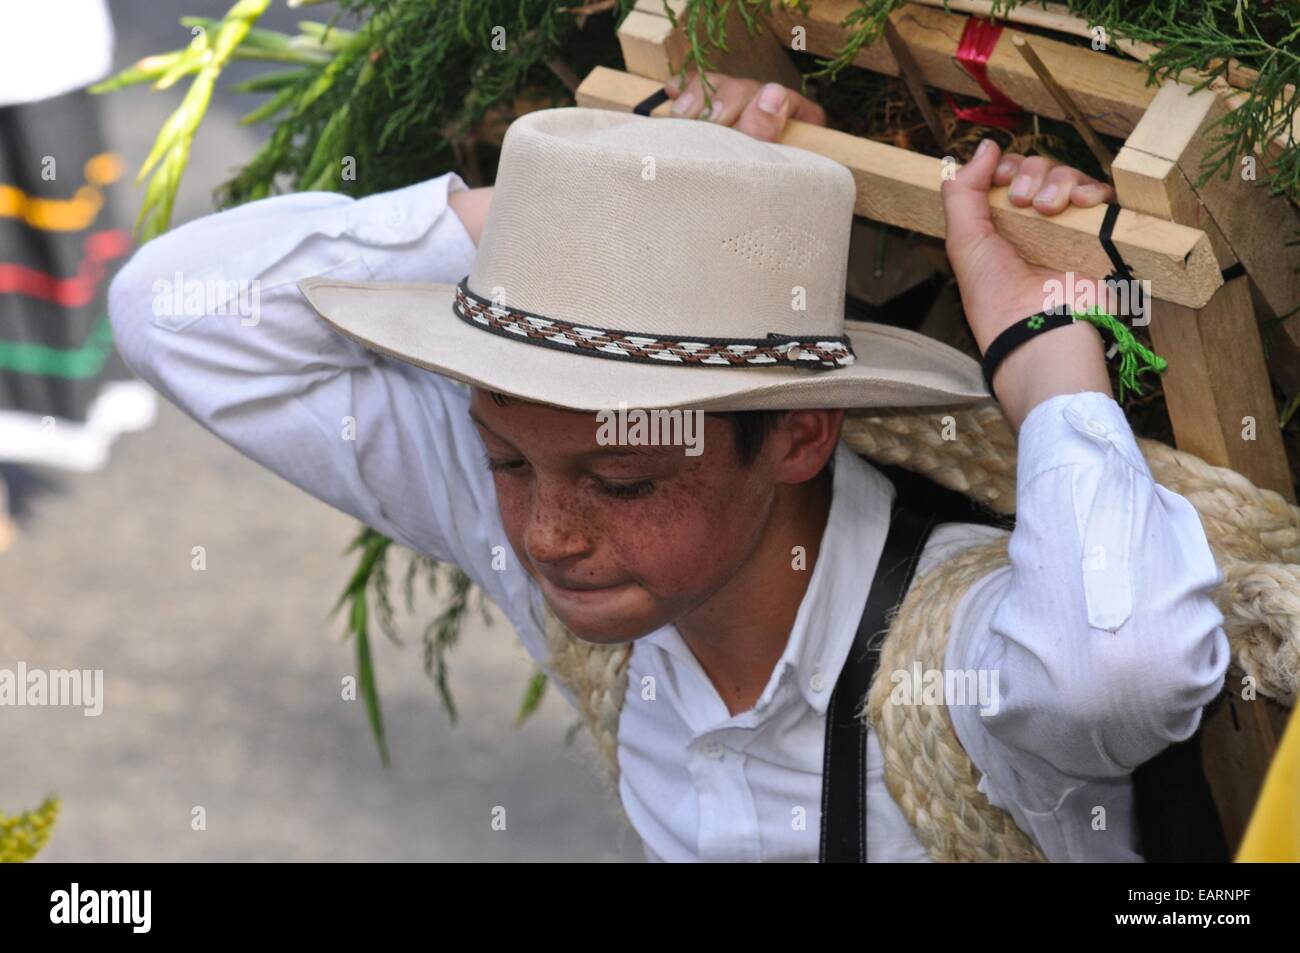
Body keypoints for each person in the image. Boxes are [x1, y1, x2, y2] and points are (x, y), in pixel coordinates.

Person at [106, 75, 1228, 862]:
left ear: (796, 434)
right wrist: (597, 208)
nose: (544, 534)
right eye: (504, 460)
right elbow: (173, 313)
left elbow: (1119, 669)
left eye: (624, 483)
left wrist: (1052, 379)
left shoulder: (978, 642)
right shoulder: (577, 532)